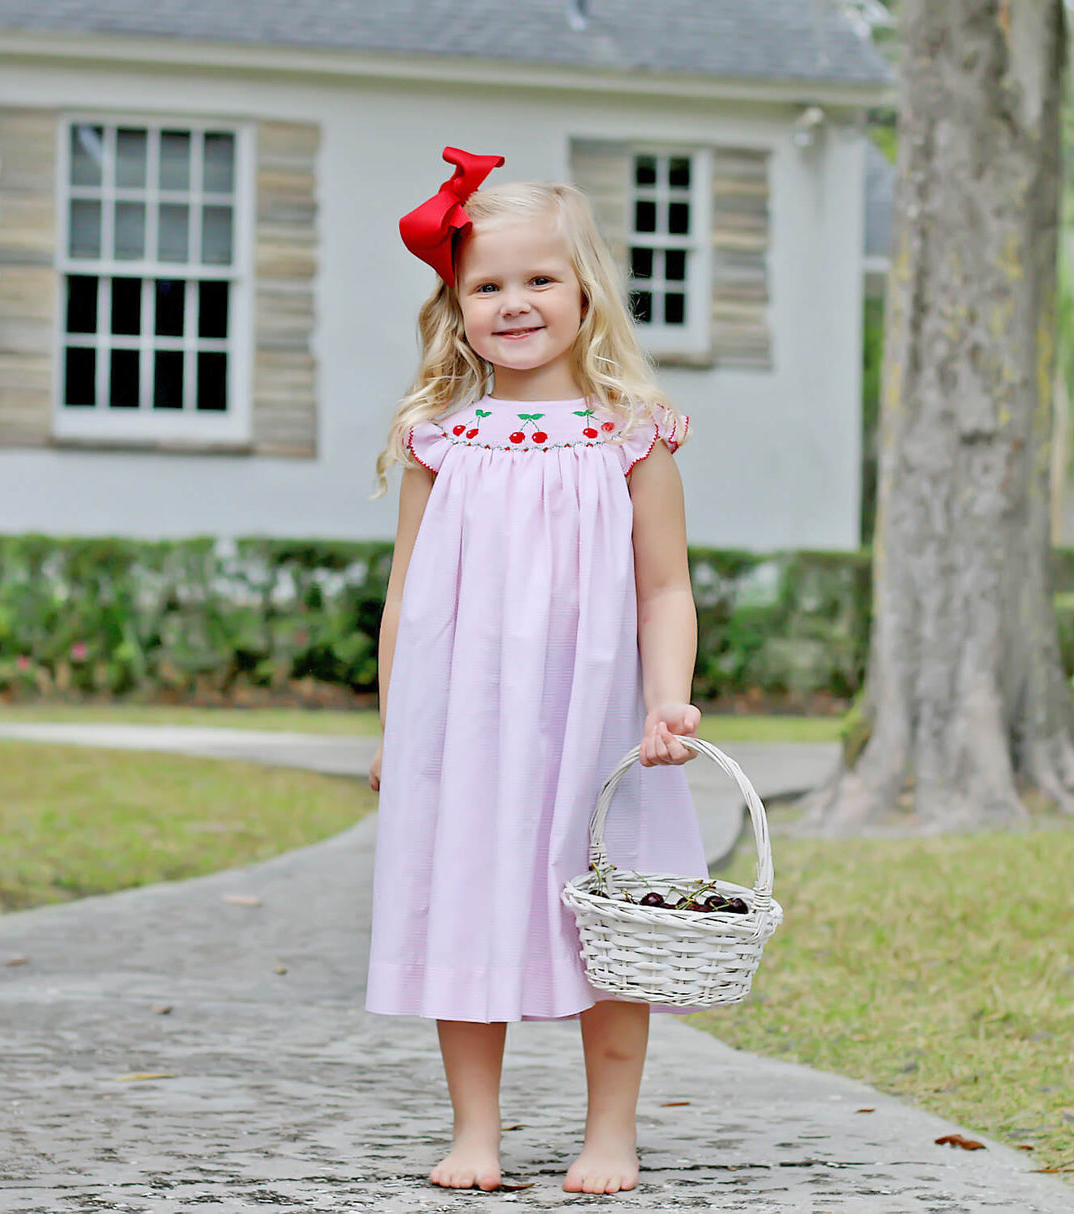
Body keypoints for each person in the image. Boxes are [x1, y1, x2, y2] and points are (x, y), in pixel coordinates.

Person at [366, 147, 706, 1197]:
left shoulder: (629, 436)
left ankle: (611, 1130)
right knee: (466, 898)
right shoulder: (441, 440)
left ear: (585, 290)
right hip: (461, 721)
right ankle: (476, 1128)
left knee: (605, 916)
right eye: (486, 285)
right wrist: (394, 730)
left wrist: (666, 698)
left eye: (537, 279)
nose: (513, 303)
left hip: (595, 716)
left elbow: (663, 587)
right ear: (455, 303)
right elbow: (406, 598)